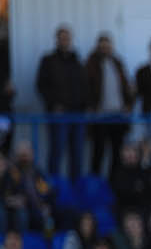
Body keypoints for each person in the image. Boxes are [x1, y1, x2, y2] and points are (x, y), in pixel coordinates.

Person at [34, 26, 87, 181]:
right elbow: (41, 85)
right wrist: (53, 104)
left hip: (77, 114)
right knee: (57, 151)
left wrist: (85, 105)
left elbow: (84, 85)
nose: (65, 40)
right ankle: (53, 187)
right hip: (58, 114)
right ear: (56, 39)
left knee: (77, 152)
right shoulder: (48, 60)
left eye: (67, 37)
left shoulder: (77, 60)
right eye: (62, 37)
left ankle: (75, 188)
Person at [84, 33, 133, 175]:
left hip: (118, 115)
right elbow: (85, 87)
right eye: (103, 46)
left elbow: (126, 86)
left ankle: (114, 183)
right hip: (100, 116)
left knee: (117, 152)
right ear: (98, 47)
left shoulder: (117, 63)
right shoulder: (91, 63)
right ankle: (95, 183)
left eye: (108, 45)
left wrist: (129, 103)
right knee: (98, 151)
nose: (106, 48)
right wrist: (92, 106)